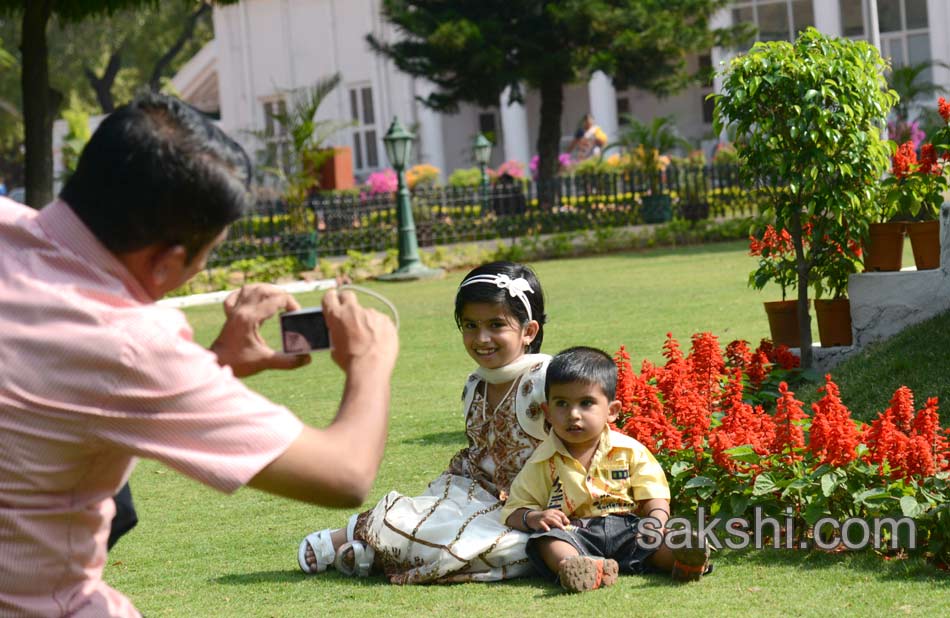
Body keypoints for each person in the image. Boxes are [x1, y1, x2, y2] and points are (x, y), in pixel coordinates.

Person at [0, 92, 399, 617]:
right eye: (206, 255)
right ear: (166, 262)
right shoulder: (128, 343)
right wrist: (370, 360)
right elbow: (345, 475)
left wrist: (215, 362)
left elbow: (56, 398)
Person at [298, 261, 550, 583]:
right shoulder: (475, 384)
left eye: (496, 325)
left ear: (528, 331)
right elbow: (478, 454)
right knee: (420, 517)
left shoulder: (546, 380)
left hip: (529, 510)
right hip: (472, 494)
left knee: (514, 547)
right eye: (470, 325)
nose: (481, 338)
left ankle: (373, 554)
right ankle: (351, 537)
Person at [501, 346, 711, 592]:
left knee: (659, 540)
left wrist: (655, 521)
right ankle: (578, 567)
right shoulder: (541, 461)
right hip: (576, 531)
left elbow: (655, 494)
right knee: (546, 541)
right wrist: (534, 517)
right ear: (547, 412)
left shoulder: (630, 450)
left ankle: (685, 559)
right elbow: (514, 509)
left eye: (586, 403)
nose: (573, 415)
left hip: (630, 529)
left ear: (611, 411)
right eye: (562, 404)